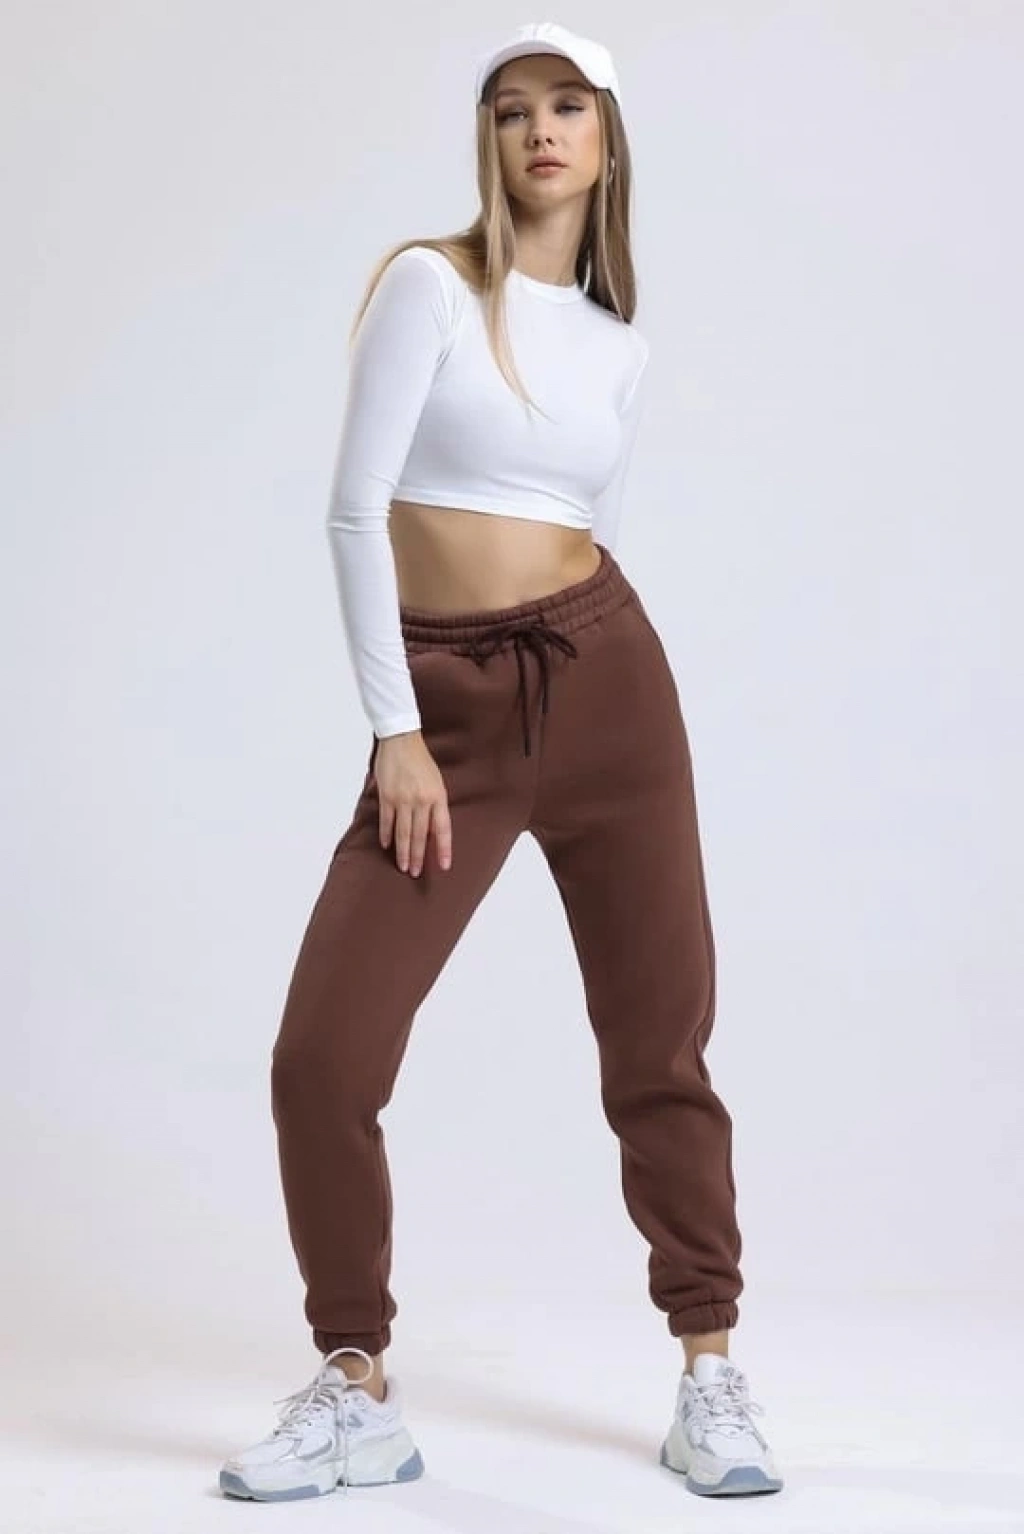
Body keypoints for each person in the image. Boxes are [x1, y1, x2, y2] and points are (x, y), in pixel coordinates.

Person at [219, 19, 783, 1505]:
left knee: (659, 1042)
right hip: (446, 710)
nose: (541, 129)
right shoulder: (430, 285)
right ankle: (355, 1384)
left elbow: (582, 518)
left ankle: (710, 1370)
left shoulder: (619, 348)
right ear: (488, 138)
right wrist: (396, 728)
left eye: (568, 106)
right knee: (323, 1056)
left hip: (610, 684)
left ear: (606, 141)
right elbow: (355, 511)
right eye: (513, 107)